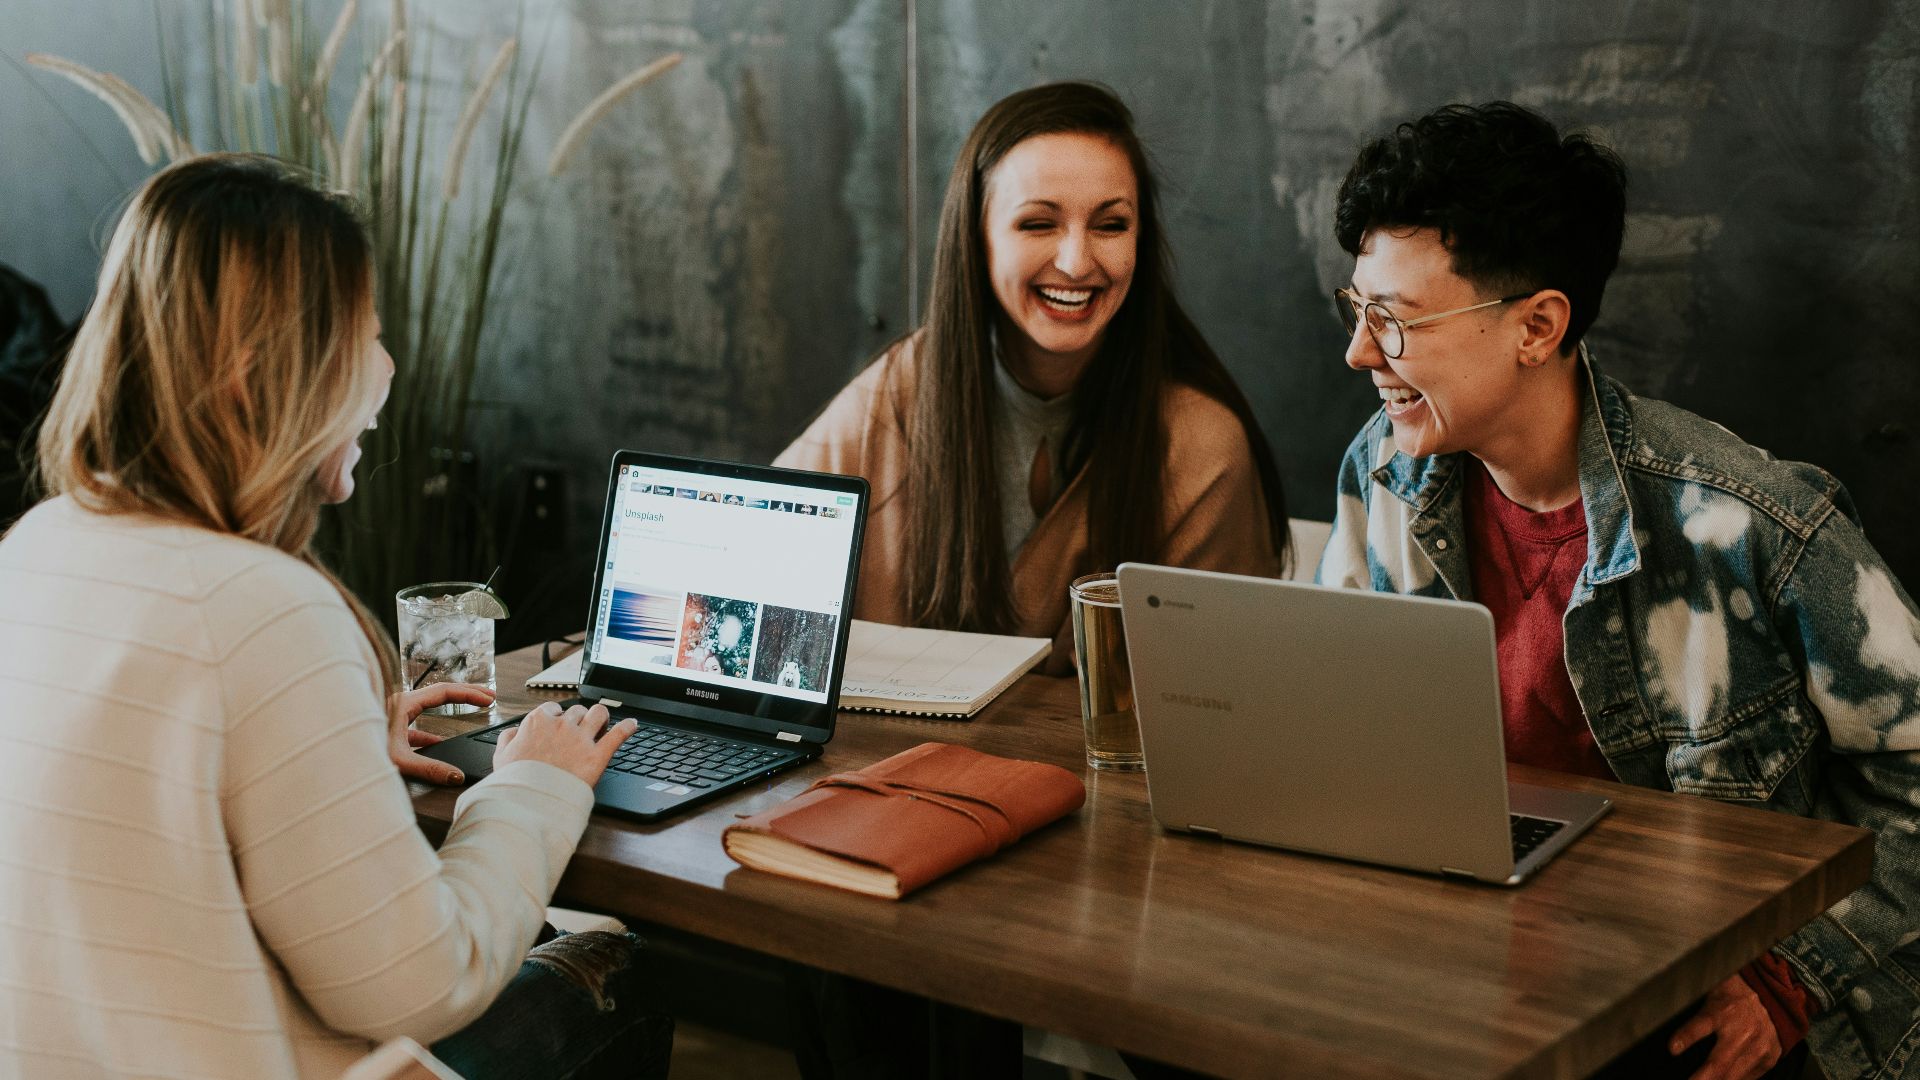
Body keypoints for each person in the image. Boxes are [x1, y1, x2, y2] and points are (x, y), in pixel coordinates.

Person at [0, 154, 670, 1079]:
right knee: (617, 975)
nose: (388, 367)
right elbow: (420, 986)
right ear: (254, 374)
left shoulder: (38, 545)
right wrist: (532, 788)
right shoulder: (264, 609)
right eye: (364, 334)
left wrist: (337, 743)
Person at [1317, 102, 1920, 1080]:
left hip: (1692, 996)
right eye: (1357, 308)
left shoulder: (1748, 524)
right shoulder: (1381, 473)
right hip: (1472, 962)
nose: (1360, 354)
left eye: (1396, 321)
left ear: (1537, 326)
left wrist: (1791, 978)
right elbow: (1332, 723)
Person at [777, 81, 1289, 675]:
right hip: (883, 766)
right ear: (978, 239)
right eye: (1038, 224)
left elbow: (1223, 701)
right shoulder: (897, 392)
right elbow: (751, 557)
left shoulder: (1202, 446)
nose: (1076, 262)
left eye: (1111, 225)